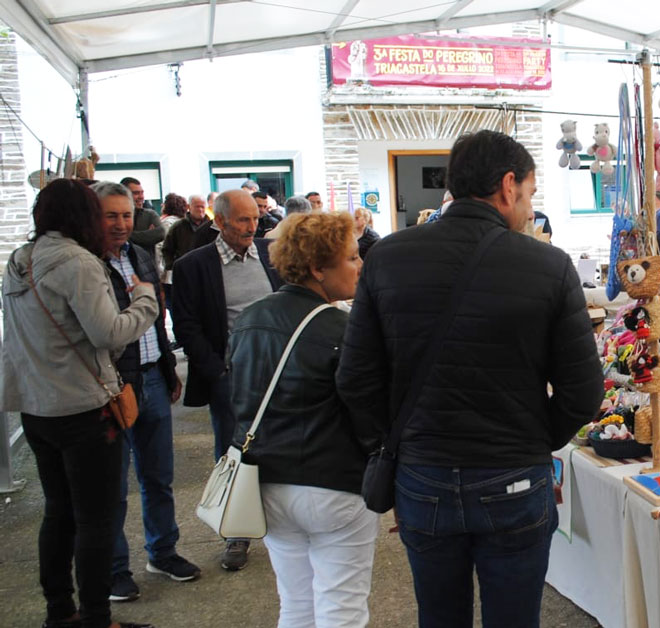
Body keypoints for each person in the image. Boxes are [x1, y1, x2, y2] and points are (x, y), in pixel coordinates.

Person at [337, 130, 604, 628]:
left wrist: (394, 443)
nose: (528, 208)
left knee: (438, 618)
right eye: (528, 193)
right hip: (513, 478)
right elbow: (585, 392)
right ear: (507, 186)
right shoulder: (547, 265)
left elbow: (355, 379)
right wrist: (530, 438)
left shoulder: (388, 257)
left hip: (423, 474)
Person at [1, 178, 159, 628]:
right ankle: (96, 618)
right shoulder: (78, 262)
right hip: (85, 410)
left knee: (59, 512)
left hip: (36, 406)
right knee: (96, 519)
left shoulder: (20, 260)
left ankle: (60, 612)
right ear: (82, 215)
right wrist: (146, 299)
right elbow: (109, 333)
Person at [228, 212, 375, 627]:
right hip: (334, 484)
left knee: (295, 603)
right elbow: (367, 411)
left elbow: (238, 396)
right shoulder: (343, 328)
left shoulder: (250, 318)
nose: (359, 265)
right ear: (316, 268)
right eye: (350, 258)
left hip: (267, 480)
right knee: (342, 606)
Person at [93, 182, 199, 603]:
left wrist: (171, 369)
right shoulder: (88, 265)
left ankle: (163, 552)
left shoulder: (139, 254)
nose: (121, 224)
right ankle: (116, 570)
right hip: (112, 385)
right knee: (112, 485)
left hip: (153, 375)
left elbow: (156, 319)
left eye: (125, 215)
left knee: (158, 476)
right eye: (110, 216)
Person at [171, 189, 282, 571]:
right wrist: (218, 372)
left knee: (285, 446)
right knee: (236, 454)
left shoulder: (272, 254)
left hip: (281, 373)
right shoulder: (193, 266)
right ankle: (238, 532)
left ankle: (285, 526)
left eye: (255, 219)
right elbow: (187, 326)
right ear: (220, 222)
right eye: (243, 220)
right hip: (232, 379)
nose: (253, 227)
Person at [120, 177, 164, 251]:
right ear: (123, 195)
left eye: (142, 193)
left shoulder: (149, 215)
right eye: (136, 193)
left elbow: (160, 233)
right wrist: (146, 235)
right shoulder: (118, 216)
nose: (141, 197)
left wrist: (124, 235)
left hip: (146, 261)